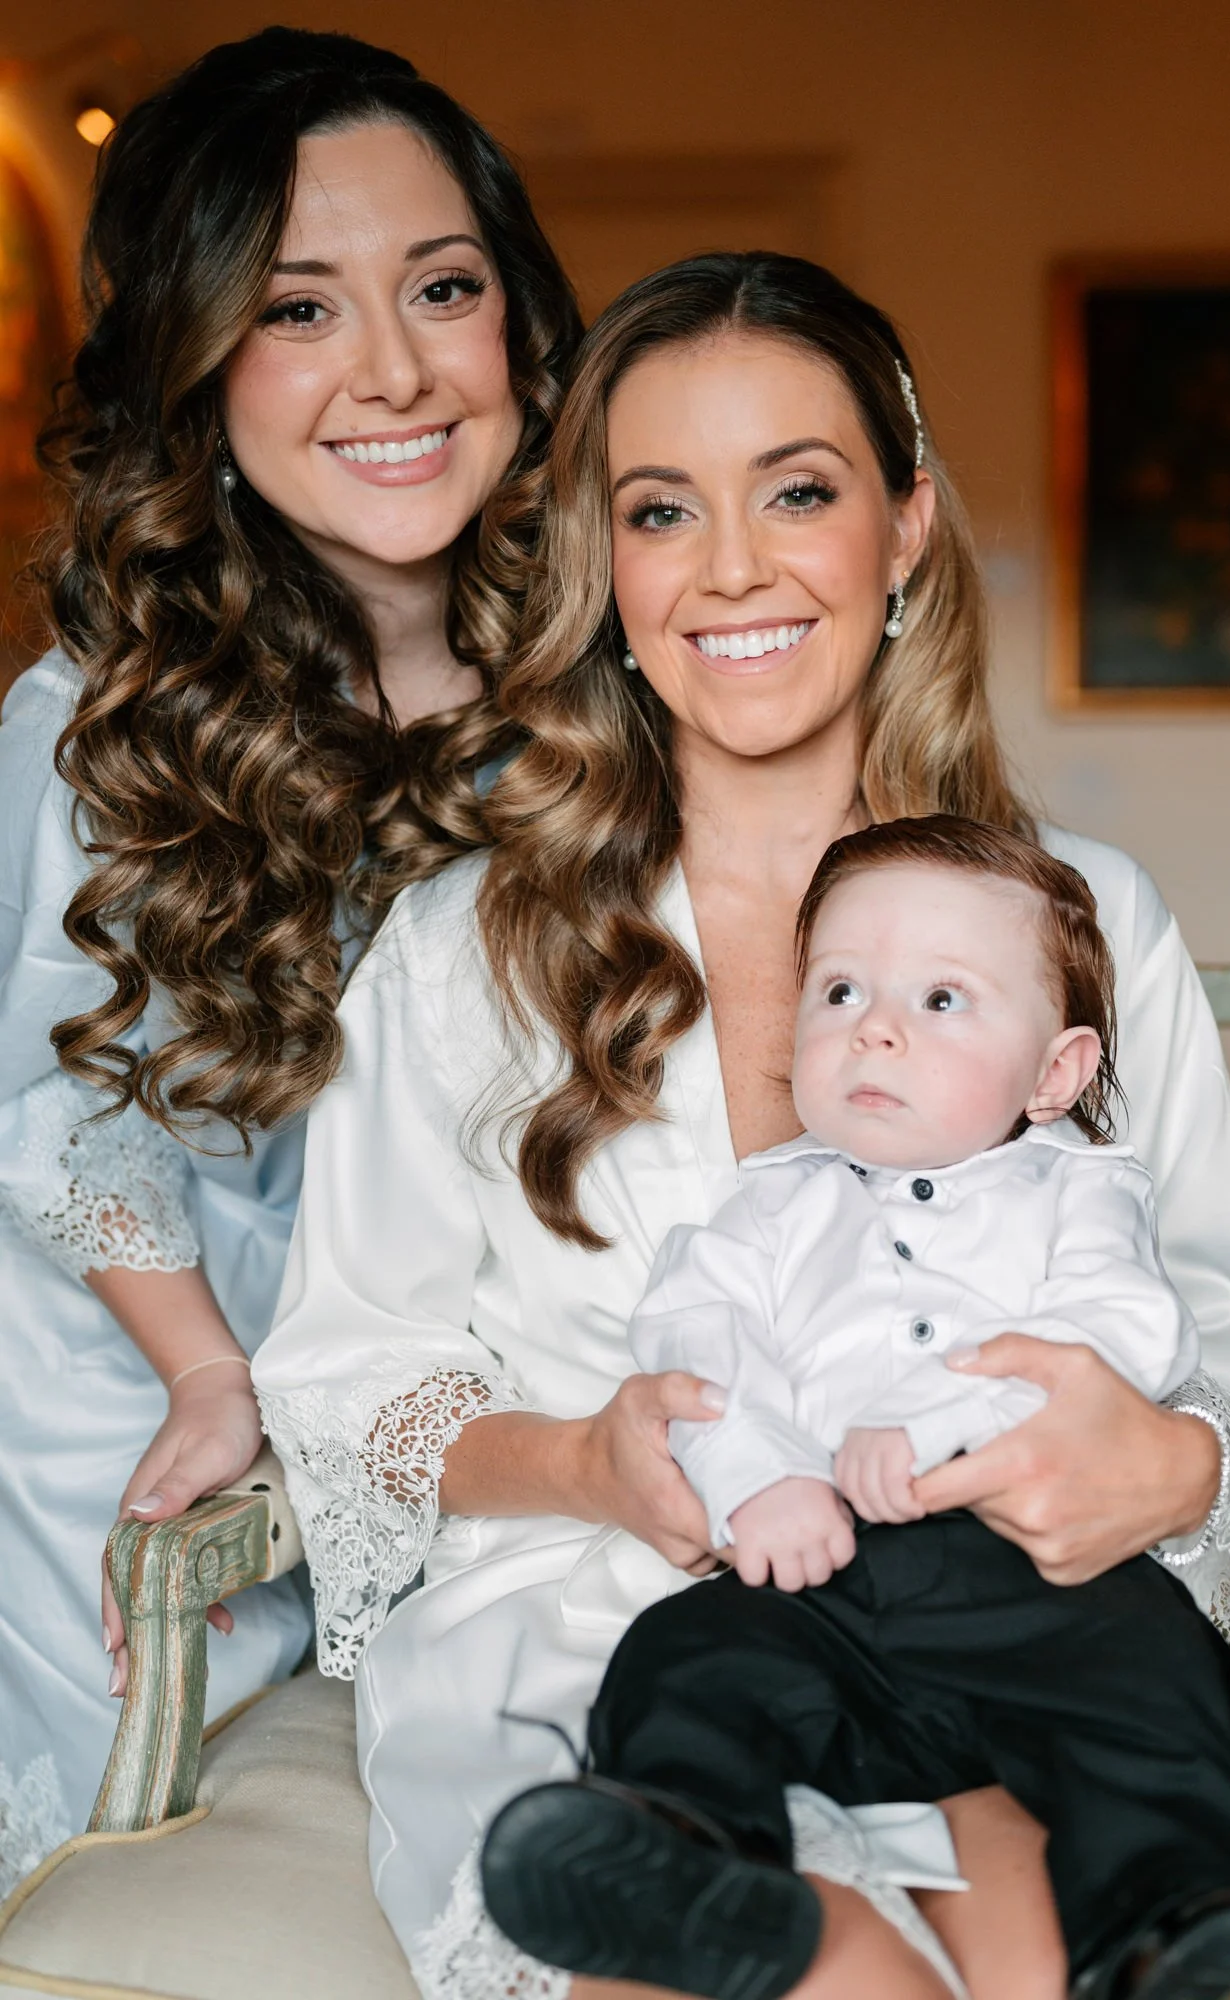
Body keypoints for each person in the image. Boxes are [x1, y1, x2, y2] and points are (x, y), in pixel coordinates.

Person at [254, 252, 1230, 2000]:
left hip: (999, 1622)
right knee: (802, 1973)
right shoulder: (464, 947)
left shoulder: (1086, 925)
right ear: (606, 565)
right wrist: (593, 1456)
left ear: (902, 529)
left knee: (1068, 1966)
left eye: (797, 492)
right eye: (663, 509)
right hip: (606, 1622)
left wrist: (1170, 1461)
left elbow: (1222, 1382)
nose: (732, 566)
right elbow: (356, 1384)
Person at [0, 25, 579, 1893]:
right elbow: (53, 1118)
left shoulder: (615, 670)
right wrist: (208, 1378)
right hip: (142, 1392)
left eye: (442, 287)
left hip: (485, 1411)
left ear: (524, 325)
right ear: (195, 369)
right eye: (295, 309)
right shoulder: (100, 719)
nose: (396, 371)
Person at [480, 815, 1230, 2000]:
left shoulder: (1076, 1194)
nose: (872, 1023)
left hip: (1035, 1583)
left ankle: (1174, 1925)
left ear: (1055, 1072)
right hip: (823, 1576)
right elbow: (693, 1348)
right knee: (682, 1653)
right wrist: (760, 1477)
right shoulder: (764, 1208)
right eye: (838, 989)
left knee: (1162, 1671)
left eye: (940, 998)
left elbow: (1125, 1331)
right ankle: (690, 1860)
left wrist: (935, 1425)